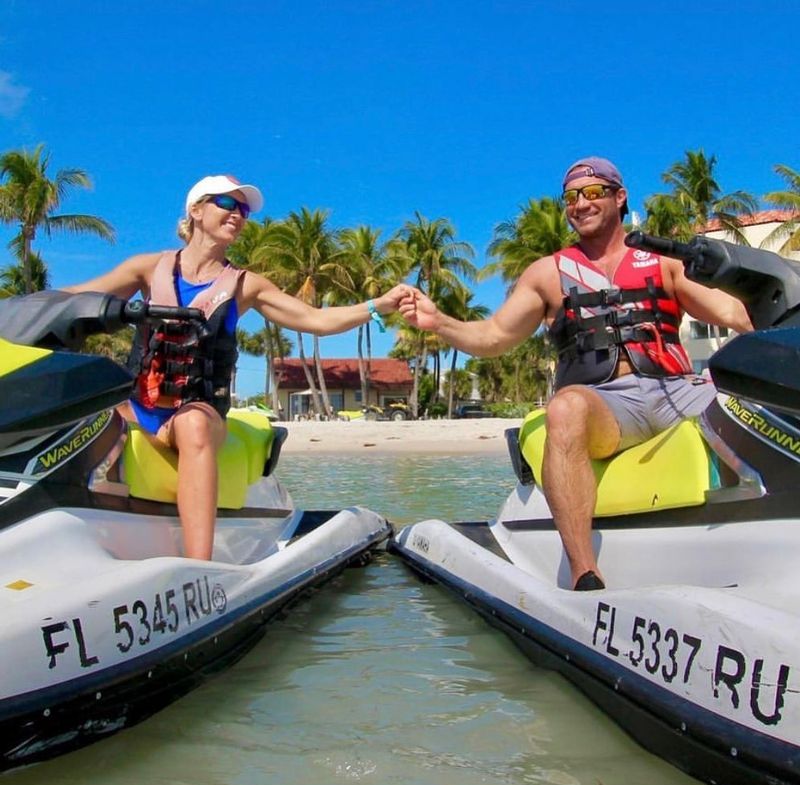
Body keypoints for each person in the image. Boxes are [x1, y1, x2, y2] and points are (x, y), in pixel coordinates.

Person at [399, 156, 753, 590]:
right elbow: (494, 335)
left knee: (758, 394)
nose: (579, 204)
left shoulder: (663, 260)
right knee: (564, 409)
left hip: (678, 389)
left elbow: (732, 312)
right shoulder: (546, 274)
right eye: (570, 197)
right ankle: (585, 572)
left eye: (592, 193)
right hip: (609, 405)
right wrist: (440, 322)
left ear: (619, 197)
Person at [66, 174, 411, 561]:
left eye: (243, 210)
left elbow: (316, 320)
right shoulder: (148, 268)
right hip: (138, 405)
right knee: (79, 413)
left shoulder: (245, 285)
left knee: (193, 424)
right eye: (226, 204)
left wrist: (376, 306)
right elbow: (77, 299)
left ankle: (200, 567)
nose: (238, 215)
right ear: (195, 211)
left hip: (198, 410)